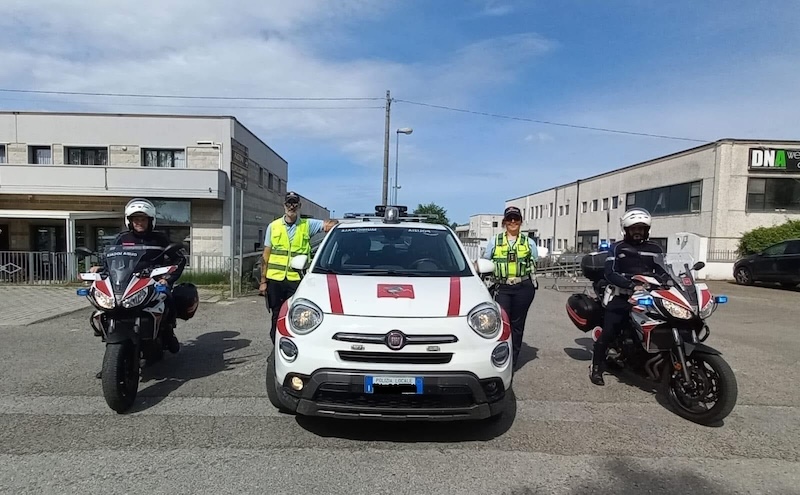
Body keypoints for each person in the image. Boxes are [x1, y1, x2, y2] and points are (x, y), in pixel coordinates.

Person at [590, 207, 664, 386]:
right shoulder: (617, 248)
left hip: (649, 296)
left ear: (647, 230)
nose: (637, 232)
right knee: (609, 331)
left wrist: (671, 281)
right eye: (634, 229)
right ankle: (597, 367)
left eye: (641, 228)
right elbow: (610, 272)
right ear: (627, 230)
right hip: (622, 296)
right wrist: (631, 285)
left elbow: (664, 271)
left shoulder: (655, 248)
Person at [259, 191, 338, 343]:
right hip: (275, 280)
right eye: (289, 203)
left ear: (299, 206)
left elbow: (330, 225)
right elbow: (266, 256)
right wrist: (263, 281)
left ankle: (294, 343)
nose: (292, 206)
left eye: (295, 203)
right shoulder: (273, 226)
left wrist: (347, 226)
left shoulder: (307, 225)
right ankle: (276, 344)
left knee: (298, 313)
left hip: (297, 280)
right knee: (276, 313)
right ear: (284, 205)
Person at [482, 206, 538, 370]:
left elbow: (534, 260)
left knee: (517, 324)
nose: (513, 222)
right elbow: (486, 261)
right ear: (504, 222)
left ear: (521, 222)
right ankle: (500, 356)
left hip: (523, 287)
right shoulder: (495, 241)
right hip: (502, 287)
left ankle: (513, 361)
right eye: (509, 219)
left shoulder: (529, 242)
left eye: (516, 219)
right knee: (502, 323)